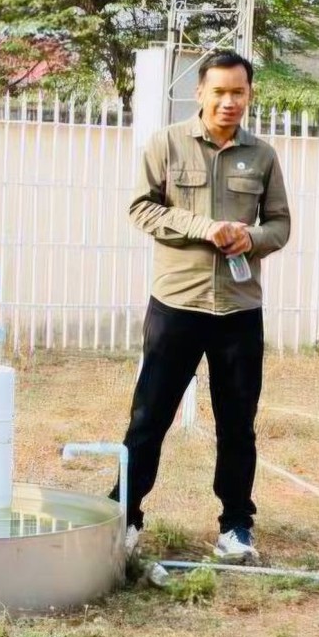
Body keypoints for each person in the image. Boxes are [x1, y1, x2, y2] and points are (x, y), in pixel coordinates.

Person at [118, 50, 291, 564]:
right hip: (177, 303)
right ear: (200, 93)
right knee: (149, 417)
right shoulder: (166, 143)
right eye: (219, 92)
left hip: (239, 310)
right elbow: (141, 208)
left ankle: (236, 525)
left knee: (237, 423)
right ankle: (125, 516)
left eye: (239, 92)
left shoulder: (262, 155)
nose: (229, 101)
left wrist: (251, 238)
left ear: (250, 94)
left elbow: (280, 224)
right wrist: (204, 227)